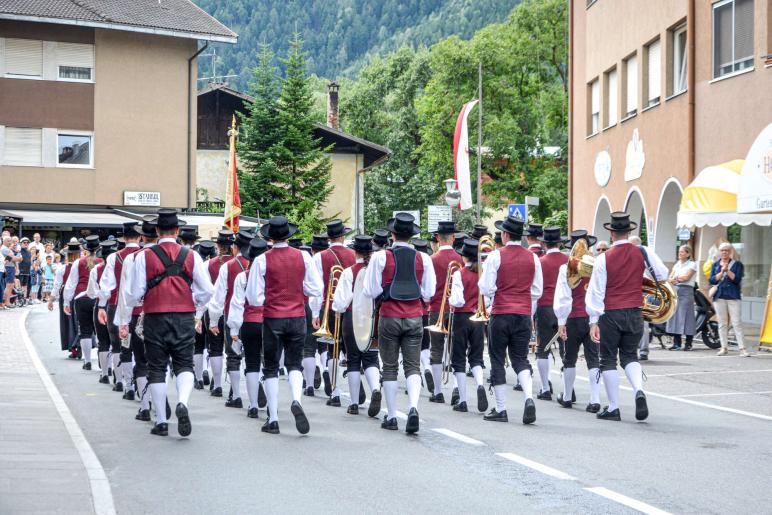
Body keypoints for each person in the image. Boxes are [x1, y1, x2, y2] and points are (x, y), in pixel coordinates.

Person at [122, 209, 214, 437]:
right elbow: (207, 291)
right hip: (184, 316)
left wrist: (145, 298)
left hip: (155, 316)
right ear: (178, 231)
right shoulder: (192, 255)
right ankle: (182, 401)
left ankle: (161, 421)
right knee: (185, 364)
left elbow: (133, 294)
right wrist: (193, 302)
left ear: (155, 231)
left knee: (157, 368)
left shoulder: (144, 256)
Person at [246, 216, 323, 435]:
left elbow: (253, 297)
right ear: (289, 235)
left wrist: (269, 299)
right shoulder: (304, 256)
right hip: (298, 315)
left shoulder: (262, 260)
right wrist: (300, 293)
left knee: (270, 366)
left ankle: (273, 417)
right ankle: (297, 399)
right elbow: (316, 288)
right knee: (294, 363)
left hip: (273, 317)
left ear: (270, 237)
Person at [586, 212, 667, 422]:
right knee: (630, 355)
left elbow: (596, 292)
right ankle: (638, 390)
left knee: (608, 360)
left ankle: (613, 407)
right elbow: (662, 274)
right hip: (635, 311)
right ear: (629, 231)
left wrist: (593, 320)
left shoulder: (603, 258)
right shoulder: (643, 251)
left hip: (610, 313)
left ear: (612, 233)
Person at [363, 213, 436, 434]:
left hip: (389, 315)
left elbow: (370, 290)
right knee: (413, 366)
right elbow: (429, 292)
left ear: (393, 234)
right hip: (415, 316)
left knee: (390, 367)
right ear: (412, 235)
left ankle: (392, 415)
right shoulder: (423, 258)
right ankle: (413, 407)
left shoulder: (380, 257)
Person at [479, 216, 542, 424]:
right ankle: (529, 398)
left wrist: (501, 292)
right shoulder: (533, 258)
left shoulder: (495, 256)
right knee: (520, 359)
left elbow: (486, 288)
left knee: (497, 358)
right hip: (523, 314)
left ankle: (500, 408)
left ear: (505, 235)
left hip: (501, 312)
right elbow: (537, 291)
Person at [331, 235, 382, 416]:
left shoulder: (348, 272)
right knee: (371, 358)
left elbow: (339, 303)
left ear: (355, 252)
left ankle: (353, 403)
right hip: (373, 317)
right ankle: (375, 388)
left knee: (353, 359)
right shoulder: (376, 272)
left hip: (352, 317)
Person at [554, 230, 601, 412]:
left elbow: (563, 297)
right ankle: (595, 399)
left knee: (569, 358)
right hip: (591, 318)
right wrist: (596, 319)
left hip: (573, 317)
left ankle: (566, 397)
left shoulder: (565, 268)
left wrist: (561, 321)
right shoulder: (597, 266)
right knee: (593, 359)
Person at [208, 229, 254, 409]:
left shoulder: (227, 266)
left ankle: (236, 395)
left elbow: (218, 297)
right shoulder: (259, 263)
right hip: (255, 317)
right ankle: (255, 393)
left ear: (236, 247)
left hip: (232, 315)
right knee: (254, 357)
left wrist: (213, 321)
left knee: (233, 355)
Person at [312, 219, 356, 406]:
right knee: (353, 351)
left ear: (328, 237)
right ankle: (357, 387)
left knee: (332, 350)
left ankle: (335, 392)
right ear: (343, 236)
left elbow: (316, 288)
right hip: (354, 308)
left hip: (329, 307)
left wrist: (315, 313)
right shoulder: (355, 254)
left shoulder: (319, 257)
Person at [98, 222, 143, 396]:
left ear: (123, 238)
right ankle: (142, 385)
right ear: (140, 237)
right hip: (140, 306)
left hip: (116, 304)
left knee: (120, 345)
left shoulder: (114, 257)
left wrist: (101, 305)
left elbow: (106, 286)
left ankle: (124, 384)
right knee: (141, 348)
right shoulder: (144, 255)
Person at [227, 238, 269, 418]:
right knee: (270, 365)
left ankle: (252, 406)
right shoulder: (272, 273)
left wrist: (234, 330)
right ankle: (271, 406)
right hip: (270, 321)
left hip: (249, 321)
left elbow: (236, 305)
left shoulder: (242, 276)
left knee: (251, 363)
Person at [448, 238, 488, 413]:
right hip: (478, 317)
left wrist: (449, 298)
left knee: (458, 358)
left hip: (461, 317)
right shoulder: (483, 273)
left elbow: (457, 300)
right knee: (476, 357)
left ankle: (463, 400)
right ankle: (480, 384)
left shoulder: (458, 273)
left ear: (464, 257)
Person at [426, 220, 462, 402]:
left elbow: (428, 289)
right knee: (457, 350)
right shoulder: (461, 260)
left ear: (438, 238)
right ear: (454, 238)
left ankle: (438, 391)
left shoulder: (431, 260)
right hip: (457, 310)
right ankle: (457, 388)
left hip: (436, 308)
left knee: (436, 350)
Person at [534, 227, 569, 401]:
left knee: (543, 348)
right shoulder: (569, 260)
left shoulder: (540, 261)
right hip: (564, 307)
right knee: (566, 348)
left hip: (545, 306)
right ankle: (568, 388)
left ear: (543, 243)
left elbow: (536, 287)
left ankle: (545, 388)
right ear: (560, 242)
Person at [63, 235, 103, 370]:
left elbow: (71, 283)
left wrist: (66, 302)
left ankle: (87, 361)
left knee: (85, 330)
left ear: (85, 249)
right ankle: (104, 363)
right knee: (101, 331)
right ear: (99, 248)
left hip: (82, 297)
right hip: (98, 297)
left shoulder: (78, 262)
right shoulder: (102, 262)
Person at [206, 230, 235, 396]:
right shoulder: (244, 264)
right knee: (234, 352)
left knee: (215, 349)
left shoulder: (209, 264)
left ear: (218, 245)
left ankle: (217, 385)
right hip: (236, 312)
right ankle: (234, 388)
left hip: (215, 308)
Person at [710, 242, 748, 357]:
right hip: (719, 296)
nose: (724, 252)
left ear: (730, 251)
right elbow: (712, 280)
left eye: (726, 250)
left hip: (733, 296)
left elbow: (737, 279)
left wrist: (727, 270)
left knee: (736, 322)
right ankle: (724, 347)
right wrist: (721, 272)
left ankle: (742, 348)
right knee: (722, 323)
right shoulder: (716, 264)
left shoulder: (737, 264)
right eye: (722, 250)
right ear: (720, 252)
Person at [88, 240, 117, 383]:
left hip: (101, 305)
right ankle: (119, 378)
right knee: (117, 342)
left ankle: (105, 373)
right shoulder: (120, 268)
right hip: (116, 305)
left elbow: (92, 292)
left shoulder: (96, 270)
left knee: (103, 341)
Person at [48, 243, 81, 356]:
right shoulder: (85, 265)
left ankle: (73, 346)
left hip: (67, 295)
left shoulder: (62, 268)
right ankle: (80, 344)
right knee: (80, 320)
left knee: (68, 321)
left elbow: (57, 285)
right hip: (81, 294)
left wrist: (51, 300)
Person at [193, 239, 217, 389]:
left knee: (198, 344)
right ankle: (212, 375)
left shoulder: (203, 265)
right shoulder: (229, 263)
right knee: (214, 345)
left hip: (201, 306)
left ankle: (199, 377)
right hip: (220, 308)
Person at [666, 244, 698, 351]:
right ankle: (677, 343)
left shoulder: (692, 264)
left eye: (682, 252)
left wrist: (676, 279)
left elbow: (686, 277)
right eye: (679, 252)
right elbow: (670, 278)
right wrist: (676, 279)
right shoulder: (677, 264)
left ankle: (688, 343)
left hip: (686, 292)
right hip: (675, 291)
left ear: (688, 254)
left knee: (687, 317)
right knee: (675, 316)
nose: (679, 254)